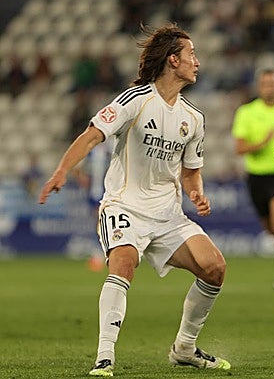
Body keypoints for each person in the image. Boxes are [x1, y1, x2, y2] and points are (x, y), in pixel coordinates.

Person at [38, 23, 231, 377]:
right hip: (124, 205)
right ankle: (104, 356)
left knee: (215, 268)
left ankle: (185, 348)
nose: (197, 62)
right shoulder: (135, 100)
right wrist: (62, 170)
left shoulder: (193, 118)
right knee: (124, 264)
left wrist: (196, 193)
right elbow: (93, 134)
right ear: (173, 61)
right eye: (192, 55)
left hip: (168, 216)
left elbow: (190, 170)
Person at [231, 68, 274, 292]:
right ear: (259, 87)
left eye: (273, 83)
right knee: (272, 228)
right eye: (265, 84)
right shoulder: (246, 112)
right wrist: (262, 143)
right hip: (256, 176)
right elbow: (240, 148)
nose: (270, 87)